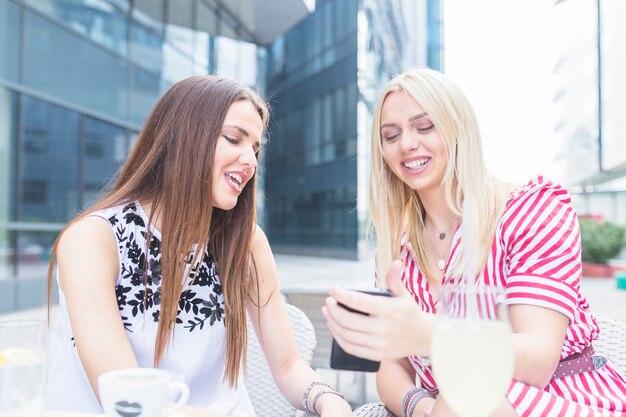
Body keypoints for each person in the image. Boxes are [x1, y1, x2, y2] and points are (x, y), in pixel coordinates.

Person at [323, 68, 626, 417]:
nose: (406, 143)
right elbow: (393, 370)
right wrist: (422, 407)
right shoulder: (396, 248)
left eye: (424, 127)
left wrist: (426, 334)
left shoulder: (533, 211)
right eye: (391, 136)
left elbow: (537, 362)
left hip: (556, 399)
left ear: (458, 130)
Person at [44, 75, 352, 417]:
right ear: (183, 138)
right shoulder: (93, 240)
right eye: (234, 139)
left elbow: (288, 366)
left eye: (255, 148)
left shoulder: (245, 242)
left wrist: (329, 400)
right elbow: (129, 403)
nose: (250, 160)